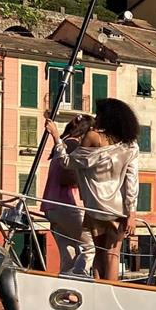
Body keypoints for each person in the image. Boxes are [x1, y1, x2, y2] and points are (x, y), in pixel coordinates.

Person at [45, 98, 139, 281]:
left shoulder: (93, 136)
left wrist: (56, 137)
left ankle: (99, 291)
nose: (96, 117)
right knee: (113, 254)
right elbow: (132, 180)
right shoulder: (130, 144)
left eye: (99, 113)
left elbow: (67, 162)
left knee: (99, 253)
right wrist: (132, 212)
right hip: (119, 208)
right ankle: (111, 293)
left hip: (95, 206)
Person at [41, 113, 95, 274]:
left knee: (69, 254)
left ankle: (65, 292)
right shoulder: (72, 145)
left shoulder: (63, 144)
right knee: (90, 247)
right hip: (67, 205)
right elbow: (67, 176)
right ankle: (79, 279)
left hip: (52, 206)